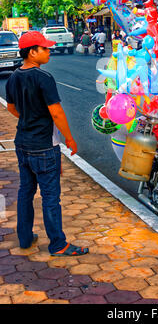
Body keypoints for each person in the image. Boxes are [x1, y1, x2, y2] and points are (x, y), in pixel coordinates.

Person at [5, 31, 89, 257]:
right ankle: (58, 244)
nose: (49, 51)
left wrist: (29, 117)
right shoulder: (44, 78)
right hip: (43, 146)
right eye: (44, 48)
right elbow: (57, 113)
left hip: (22, 143)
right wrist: (69, 138)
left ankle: (25, 237)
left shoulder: (13, 77)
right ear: (32, 52)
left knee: (26, 191)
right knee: (51, 197)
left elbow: (11, 108)